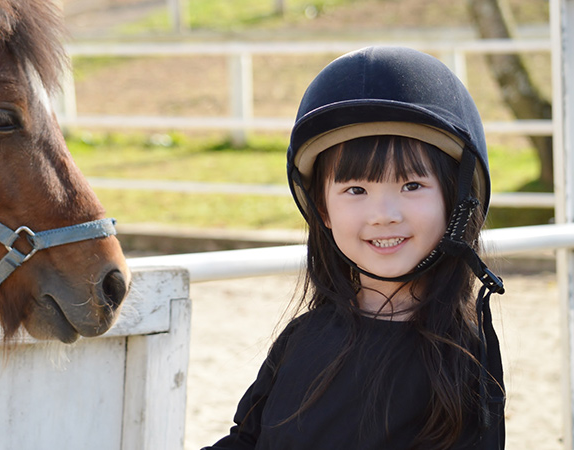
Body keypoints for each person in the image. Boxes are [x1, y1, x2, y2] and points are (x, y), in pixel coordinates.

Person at [203, 46, 505, 449]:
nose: (383, 215)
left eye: (411, 185)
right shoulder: (302, 336)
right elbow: (246, 440)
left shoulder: (461, 358)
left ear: (457, 199)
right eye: (356, 189)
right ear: (322, 210)